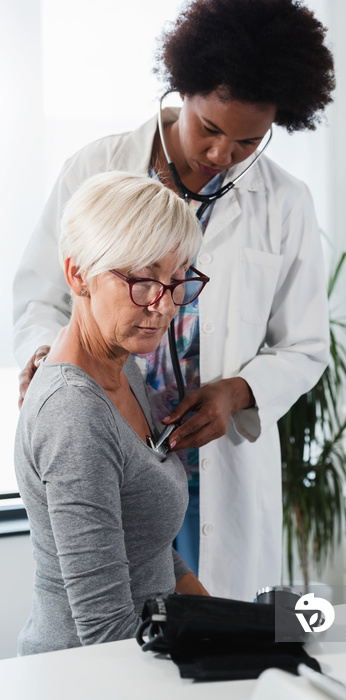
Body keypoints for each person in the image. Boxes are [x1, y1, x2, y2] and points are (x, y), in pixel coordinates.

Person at [13, 0, 335, 601]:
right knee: (118, 628)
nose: (220, 155)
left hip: (217, 462)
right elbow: (42, 292)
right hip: (111, 441)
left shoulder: (285, 203)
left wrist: (238, 392)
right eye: (209, 129)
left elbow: (306, 344)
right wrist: (44, 359)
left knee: (215, 639)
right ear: (180, 89)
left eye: (247, 142)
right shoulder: (96, 167)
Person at [15, 172, 209, 656]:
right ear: (78, 274)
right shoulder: (74, 414)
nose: (163, 307)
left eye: (176, 279)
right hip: (93, 673)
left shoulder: (124, 370)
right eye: (142, 281)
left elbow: (148, 549)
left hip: (145, 656)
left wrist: (237, 625)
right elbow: (105, 633)